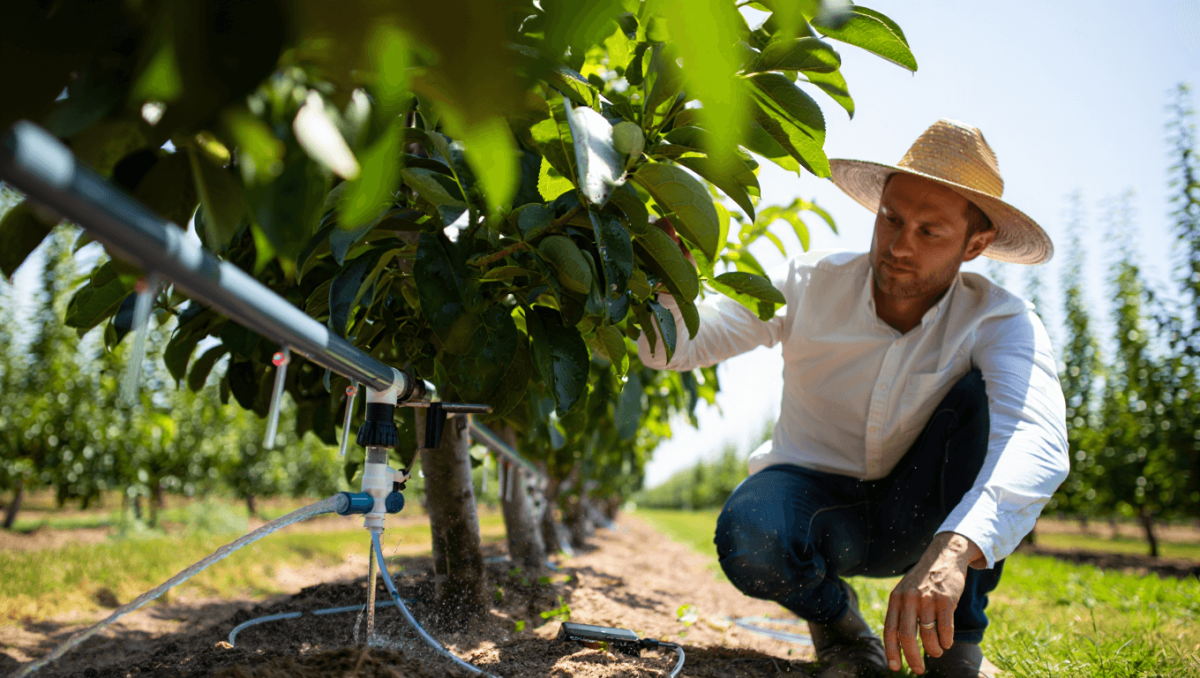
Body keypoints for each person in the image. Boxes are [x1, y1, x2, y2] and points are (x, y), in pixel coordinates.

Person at [638, 119, 1069, 678]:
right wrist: (669, 283)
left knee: (988, 404)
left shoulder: (1000, 320)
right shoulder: (808, 282)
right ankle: (841, 628)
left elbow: (1038, 439)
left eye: (930, 232)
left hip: (927, 514)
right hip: (817, 507)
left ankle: (954, 646)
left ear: (976, 244)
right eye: (892, 219)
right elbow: (671, 349)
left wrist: (957, 548)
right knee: (752, 533)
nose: (899, 245)